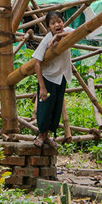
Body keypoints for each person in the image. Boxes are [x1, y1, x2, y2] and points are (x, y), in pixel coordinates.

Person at [31, 10, 74, 148]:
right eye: (53, 23)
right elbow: (37, 62)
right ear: (48, 26)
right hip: (48, 77)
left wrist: (59, 36)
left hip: (61, 77)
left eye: (59, 21)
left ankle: (48, 135)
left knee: (56, 107)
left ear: (63, 22)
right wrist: (42, 87)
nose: (57, 25)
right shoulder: (46, 41)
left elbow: (80, 32)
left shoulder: (66, 31)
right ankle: (41, 134)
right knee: (45, 107)